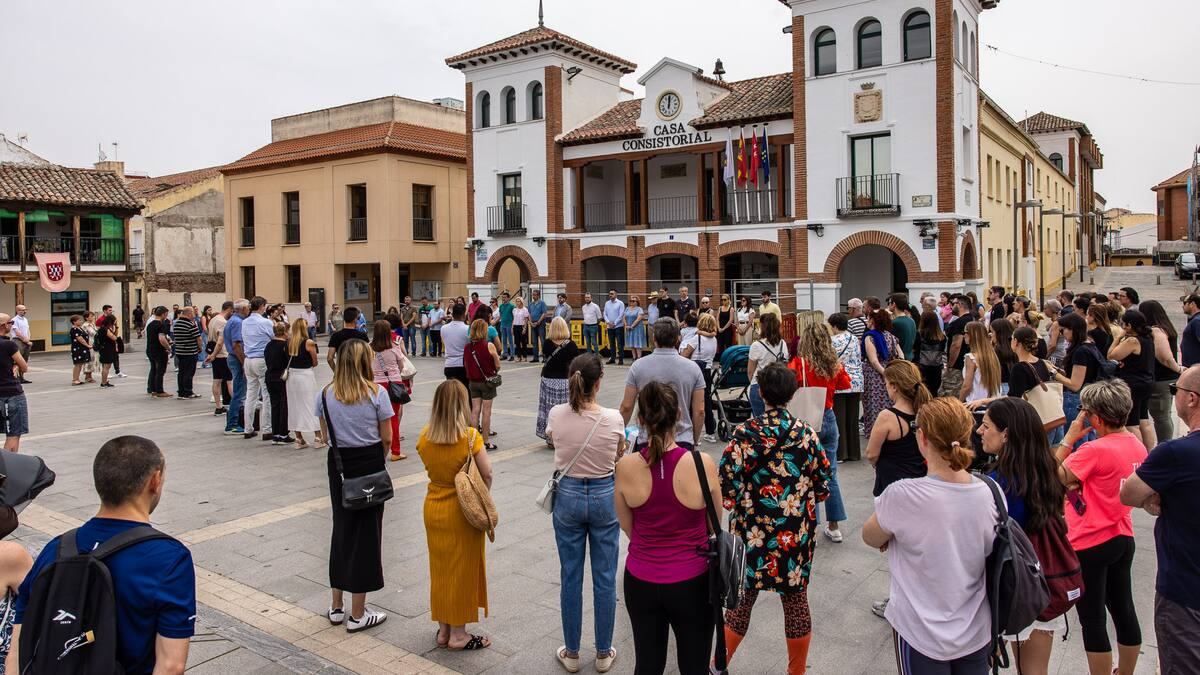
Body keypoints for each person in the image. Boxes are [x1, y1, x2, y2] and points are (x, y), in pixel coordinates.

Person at [10, 436, 194, 673]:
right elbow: (170, 666)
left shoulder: (55, 549)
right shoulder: (169, 558)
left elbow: (18, 649)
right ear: (155, 481)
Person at [861, 397, 997, 671]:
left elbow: (871, 536)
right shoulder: (991, 491)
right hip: (975, 628)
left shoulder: (903, 494)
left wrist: (896, 534)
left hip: (920, 632)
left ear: (921, 437)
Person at [719, 363, 829, 675]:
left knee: (741, 602)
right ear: (792, 394)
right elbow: (823, 485)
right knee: (795, 602)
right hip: (794, 535)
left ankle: (718, 664)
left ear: (762, 393)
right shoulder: (805, 434)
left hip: (750, 534)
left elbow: (726, 486)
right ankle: (796, 671)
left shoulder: (744, 434)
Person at [614, 382, 719, 675]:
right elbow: (715, 525)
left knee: (647, 664)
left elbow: (627, 527)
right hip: (694, 582)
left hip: (641, 578)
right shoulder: (703, 464)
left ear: (641, 420)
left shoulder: (625, 467)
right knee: (695, 665)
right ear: (679, 416)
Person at [1055, 379, 1146, 675]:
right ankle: (1127, 671)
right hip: (1122, 533)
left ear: (1095, 417)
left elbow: (1055, 475)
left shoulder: (1094, 450)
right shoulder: (1136, 444)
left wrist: (1068, 439)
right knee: (1123, 609)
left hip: (1090, 539)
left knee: (1092, 618)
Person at [976, 398, 1069, 673]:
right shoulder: (1046, 472)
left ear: (1006, 434)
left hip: (1014, 586)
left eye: (985, 425)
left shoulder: (1002, 484)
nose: (980, 431)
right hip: (1044, 582)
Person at [545, 354, 624, 673]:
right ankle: (604, 652)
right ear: (599, 382)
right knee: (605, 577)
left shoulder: (556, 414)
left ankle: (573, 652)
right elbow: (619, 452)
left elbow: (554, 441)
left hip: (569, 496)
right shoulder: (614, 418)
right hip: (605, 494)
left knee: (570, 575)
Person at [1120, 365, 1200, 671]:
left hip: (1184, 591)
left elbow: (1129, 494)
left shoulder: (1175, 454)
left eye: (1174, 391)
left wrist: (1158, 497)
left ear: (1191, 399)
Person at [316, 340, 393, 634]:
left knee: (342, 528)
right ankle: (358, 613)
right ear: (364, 362)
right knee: (368, 535)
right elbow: (386, 439)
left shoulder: (325, 394)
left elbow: (325, 436)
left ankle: (337, 606)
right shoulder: (376, 394)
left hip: (339, 465)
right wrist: (378, 459)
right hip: (369, 463)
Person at [417, 380, 493, 651]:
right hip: (461, 511)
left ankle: (443, 629)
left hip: (433, 507)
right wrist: (482, 497)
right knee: (461, 571)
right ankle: (459, 635)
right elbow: (487, 473)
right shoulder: (470, 437)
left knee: (440, 571)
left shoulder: (425, 437)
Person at [788, 322, 850, 542]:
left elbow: (788, 385)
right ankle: (834, 526)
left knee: (800, 473)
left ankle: (802, 522)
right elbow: (845, 384)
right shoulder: (833, 365)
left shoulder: (799, 363)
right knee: (831, 473)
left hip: (805, 421)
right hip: (828, 416)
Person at [620, 318, 706, 451]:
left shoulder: (638, 366)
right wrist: (694, 440)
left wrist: (619, 436)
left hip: (648, 438)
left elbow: (626, 406)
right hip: (681, 438)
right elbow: (699, 411)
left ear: (654, 338)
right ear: (678, 338)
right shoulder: (693, 368)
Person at [866, 360, 931, 498]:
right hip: (919, 478)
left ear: (894, 386)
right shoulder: (926, 412)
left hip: (892, 482)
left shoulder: (887, 417)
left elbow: (872, 454)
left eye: (886, 384)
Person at [1051, 313, 1103, 450]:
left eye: (1063, 330)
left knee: (1075, 441)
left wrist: (1053, 373)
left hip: (1075, 400)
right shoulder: (1090, 345)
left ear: (1072, 329)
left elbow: (1075, 384)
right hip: (1088, 398)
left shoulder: (1080, 351)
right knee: (1089, 438)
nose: (1062, 334)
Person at [1108, 309, 1157, 449]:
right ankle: (1148, 452)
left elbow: (1111, 355)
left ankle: (1138, 453)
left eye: (1124, 324)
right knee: (1144, 421)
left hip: (1133, 384)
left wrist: (1117, 338)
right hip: (1147, 381)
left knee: (1132, 423)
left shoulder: (1132, 340)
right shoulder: (1148, 338)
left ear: (1129, 325)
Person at [1140, 300, 1183, 442]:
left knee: (1161, 415)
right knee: (1164, 414)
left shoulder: (1156, 330)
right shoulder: (1167, 327)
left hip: (1161, 378)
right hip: (1167, 378)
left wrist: (1179, 369)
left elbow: (1165, 357)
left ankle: (1165, 445)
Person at [537, 317, 581, 446]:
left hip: (548, 379)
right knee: (566, 410)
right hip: (565, 380)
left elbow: (545, 356)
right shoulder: (571, 345)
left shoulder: (547, 343)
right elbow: (576, 362)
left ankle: (551, 438)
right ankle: (566, 437)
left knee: (549, 409)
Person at [369, 320, 409, 461]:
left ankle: (376, 447)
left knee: (375, 417)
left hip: (376, 385)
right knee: (393, 418)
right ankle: (396, 452)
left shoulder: (369, 348)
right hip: (394, 384)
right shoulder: (394, 346)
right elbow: (401, 365)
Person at [830, 313, 864, 462]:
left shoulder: (833, 341)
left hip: (840, 381)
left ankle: (841, 453)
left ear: (835, 326)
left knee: (840, 418)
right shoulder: (854, 339)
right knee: (852, 418)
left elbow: (831, 361)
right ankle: (854, 452)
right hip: (856, 380)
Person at [861, 310, 900, 439]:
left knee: (873, 404)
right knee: (888, 403)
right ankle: (890, 430)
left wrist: (885, 374)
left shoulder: (870, 337)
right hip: (890, 371)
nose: (867, 320)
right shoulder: (890, 336)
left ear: (872, 321)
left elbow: (873, 361)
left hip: (874, 376)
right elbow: (901, 355)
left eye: (868, 318)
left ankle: (875, 433)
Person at [681, 313, 719, 443]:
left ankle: (691, 433)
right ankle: (710, 432)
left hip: (694, 370)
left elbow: (685, 355)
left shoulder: (696, 338)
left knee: (692, 402)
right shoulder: (714, 339)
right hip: (707, 371)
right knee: (706, 402)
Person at [286, 318, 322, 449]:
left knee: (294, 405)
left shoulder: (289, 342)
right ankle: (317, 437)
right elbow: (315, 362)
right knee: (310, 404)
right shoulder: (309, 342)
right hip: (305, 375)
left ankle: (298, 438)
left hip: (292, 376)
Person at [464, 319, 500, 451]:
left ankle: (473, 441)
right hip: (487, 382)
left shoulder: (467, 347)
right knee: (486, 412)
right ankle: (485, 441)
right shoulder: (489, 345)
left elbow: (466, 364)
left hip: (473, 382)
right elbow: (497, 365)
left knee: (475, 410)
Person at [242, 298, 275, 441]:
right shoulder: (265, 322)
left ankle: (248, 428)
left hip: (248, 358)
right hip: (262, 358)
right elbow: (273, 337)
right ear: (262, 307)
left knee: (251, 394)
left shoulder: (245, 322)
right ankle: (267, 429)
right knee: (267, 394)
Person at [746, 312, 788, 418]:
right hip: (778, 386)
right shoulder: (783, 344)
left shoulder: (756, 346)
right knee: (778, 420)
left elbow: (750, 372)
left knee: (760, 422)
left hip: (760, 385)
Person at [263, 322, 294, 445]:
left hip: (270, 377)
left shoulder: (268, 345)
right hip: (281, 378)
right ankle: (283, 433)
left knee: (274, 405)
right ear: (285, 332)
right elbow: (288, 362)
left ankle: (275, 434)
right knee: (284, 406)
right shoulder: (285, 345)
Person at [223, 300, 250, 435]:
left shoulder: (232, 320)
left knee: (239, 390)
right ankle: (232, 424)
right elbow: (237, 345)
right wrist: (244, 362)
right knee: (239, 392)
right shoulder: (238, 322)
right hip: (236, 358)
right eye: (248, 307)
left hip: (233, 357)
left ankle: (235, 421)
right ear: (244, 308)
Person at [961, 322, 1002, 405]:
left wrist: (959, 401)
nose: (963, 335)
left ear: (972, 335)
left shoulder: (971, 358)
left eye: (965, 332)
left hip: (974, 405)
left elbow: (967, 387)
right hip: (991, 404)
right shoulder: (992, 356)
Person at [941, 295, 972, 398]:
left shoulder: (959, 322)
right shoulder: (972, 318)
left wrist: (950, 366)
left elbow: (956, 345)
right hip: (966, 364)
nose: (950, 306)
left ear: (959, 305)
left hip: (957, 367)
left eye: (953, 304)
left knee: (950, 396)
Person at [171, 306, 203, 399]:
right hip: (190, 351)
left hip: (180, 351)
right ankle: (188, 391)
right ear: (189, 314)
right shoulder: (190, 324)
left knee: (181, 372)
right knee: (189, 372)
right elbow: (198, 338)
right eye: (193, 313)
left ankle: (181, 391)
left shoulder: (176, 324)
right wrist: (200, 348)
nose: (194, 314)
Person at [207, 302, 232, 415]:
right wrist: (214, 354)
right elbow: (220, 342)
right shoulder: (223, 322)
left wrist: (212, 354)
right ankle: (237, 405)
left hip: (215, 354)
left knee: (216, 380)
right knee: (229, 381)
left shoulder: (213, 319)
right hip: (222, 354)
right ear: (229, 309)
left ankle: (218, 406)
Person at [914, 309, 946, 396]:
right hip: (936, 367)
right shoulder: (942, 337)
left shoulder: (919, 335)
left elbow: (915, 349)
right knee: (934, 393)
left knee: (922, 393)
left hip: (922, 367)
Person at [441, 303, 471, 389]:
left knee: (452, 393)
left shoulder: (444, 328)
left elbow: (444, 342)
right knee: (465, 392)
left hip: (449, 364)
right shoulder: (467, 329)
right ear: (463, 314)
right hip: (463, 365)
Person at [145, 306, 172, 399]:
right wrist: (168, 347)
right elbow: (161, 338)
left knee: (153, 369)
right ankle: (159, 390)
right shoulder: (161, 325)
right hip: (159, 350)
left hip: (150, 349)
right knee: (160, 371)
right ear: (164, 314)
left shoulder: (150, 324)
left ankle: (153, 389)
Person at [990, 318, 1017, 395]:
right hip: (1012, 385)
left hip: (1000, 387)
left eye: (992, 332)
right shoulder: (1015, 348)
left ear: (998, 333)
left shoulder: (996, 351)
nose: (991, 335)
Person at [888, 293, 917, 361]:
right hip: (909, 357)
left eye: (889, 303)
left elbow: (890, 342)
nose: (888, 305)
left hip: (899, 359)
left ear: (894, 304)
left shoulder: (895, 322)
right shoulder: (911, 320)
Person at [603, 290, 625, 366]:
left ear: (616, 294)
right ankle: (612, 359)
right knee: (611, 344)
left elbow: (621, 314)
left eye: (612, 294)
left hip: (618, 326)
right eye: (609, 294)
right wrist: (608, 322)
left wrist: (615, 323)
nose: (610, 295)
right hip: (609, 326)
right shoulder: (607, 303)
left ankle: (621, 359)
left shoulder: (620, 303)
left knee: (620, 344)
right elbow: (605, 314)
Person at [96, 315, 118, 389]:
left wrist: (116, 328)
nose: (115, 322)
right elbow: (114, 337)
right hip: (107, 349)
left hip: (105, 348)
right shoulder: (105, 329)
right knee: (106, 366)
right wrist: (116, 328)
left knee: (106, 366)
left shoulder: (103, 328)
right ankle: (103, 383)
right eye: (114, 320)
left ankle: (105, 381)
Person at [9, 307, 29, 385]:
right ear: (17, 311)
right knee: (18, 360)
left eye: (25, 310)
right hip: (18, 340)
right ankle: (16, 377)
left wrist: (28, 339)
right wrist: (25, 339)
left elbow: (27, 330)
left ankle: (21, 377)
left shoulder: (25, 319)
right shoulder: (14, 320)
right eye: (23, 310)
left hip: (26, 341)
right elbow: (17, 332)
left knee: (24, 359)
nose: (25, 311)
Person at [69, 315, 91, 385]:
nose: (81, 321)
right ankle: (74, 379)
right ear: (74, 322)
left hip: (82, 348)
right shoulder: (74, 329)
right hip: (78, 349)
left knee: (80, 363)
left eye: (81, 320)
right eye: (79, 320)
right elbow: (80, 339)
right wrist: (87, 345)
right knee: (77, 364)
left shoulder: (80, 328)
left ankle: (77, 379)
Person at [528, 289, 548, 363]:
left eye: (535, 295)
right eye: (533, 295)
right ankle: (535, 357)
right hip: (533, 324)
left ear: (538, 295)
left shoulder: (542, 303)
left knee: (542, 341)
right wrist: (530, 322)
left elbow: (544, 313)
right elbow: (529, 313)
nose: (533, 296)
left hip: (540, 324)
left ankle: (545, 357)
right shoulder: (531, 304)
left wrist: (539, 321)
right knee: (534, 341)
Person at [624, 296, 646, 361]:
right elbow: (624, 317)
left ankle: (639, 358)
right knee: (632, 344)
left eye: (633, 301)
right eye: (630, 301)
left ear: (637, 302)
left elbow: (639, 318)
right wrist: (626, 325)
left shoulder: (639, 309)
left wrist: (632, 326)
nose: (631, 302)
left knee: (637, 344)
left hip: (637, 329)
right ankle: (634, 358)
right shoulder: (627, 308)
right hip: (629, 328)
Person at [1181, 293, 1200, 368]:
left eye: (1185, 303)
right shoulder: (1195, 320)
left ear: (1192, 304)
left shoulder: (1197, 321)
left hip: (1195, 367)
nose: (1183, 306)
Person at [81, 311, 99, 383]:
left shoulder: (92, 324)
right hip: (89, 344)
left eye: (93, 316)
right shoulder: (85, 325)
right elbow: (85, 335)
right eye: (91, 316)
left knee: (93, 359)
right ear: (86, 317)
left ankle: (89, 375)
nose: (93, 317)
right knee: (89, 360)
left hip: (94, 344)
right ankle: (88, 376)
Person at [496, 292, 515, 361]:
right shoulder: (501, 306)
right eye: (503, 297)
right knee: (503, 340)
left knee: (510, 340)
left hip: (509, 325)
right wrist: (500, 325)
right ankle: (505, 354)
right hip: (503, 324)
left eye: (505, 297)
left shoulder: (511, 306)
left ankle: (512, 355)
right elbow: (501, 316)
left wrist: (512, 326)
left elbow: (514, 316)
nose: (503, 299)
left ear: (508, 298)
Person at [511, 296, 530, 363]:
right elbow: (513, 319)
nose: (517, 302)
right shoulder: (514, 310)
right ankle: (519, 357)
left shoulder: (525, 309)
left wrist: (525, 328)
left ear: (521, 302)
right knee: (517, 342)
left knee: (523, 342)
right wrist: (512, 328)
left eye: (518, 301)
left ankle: (525, 357)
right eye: (516, 301)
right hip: (516, 326)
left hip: (522, 326)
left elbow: (526, 319)